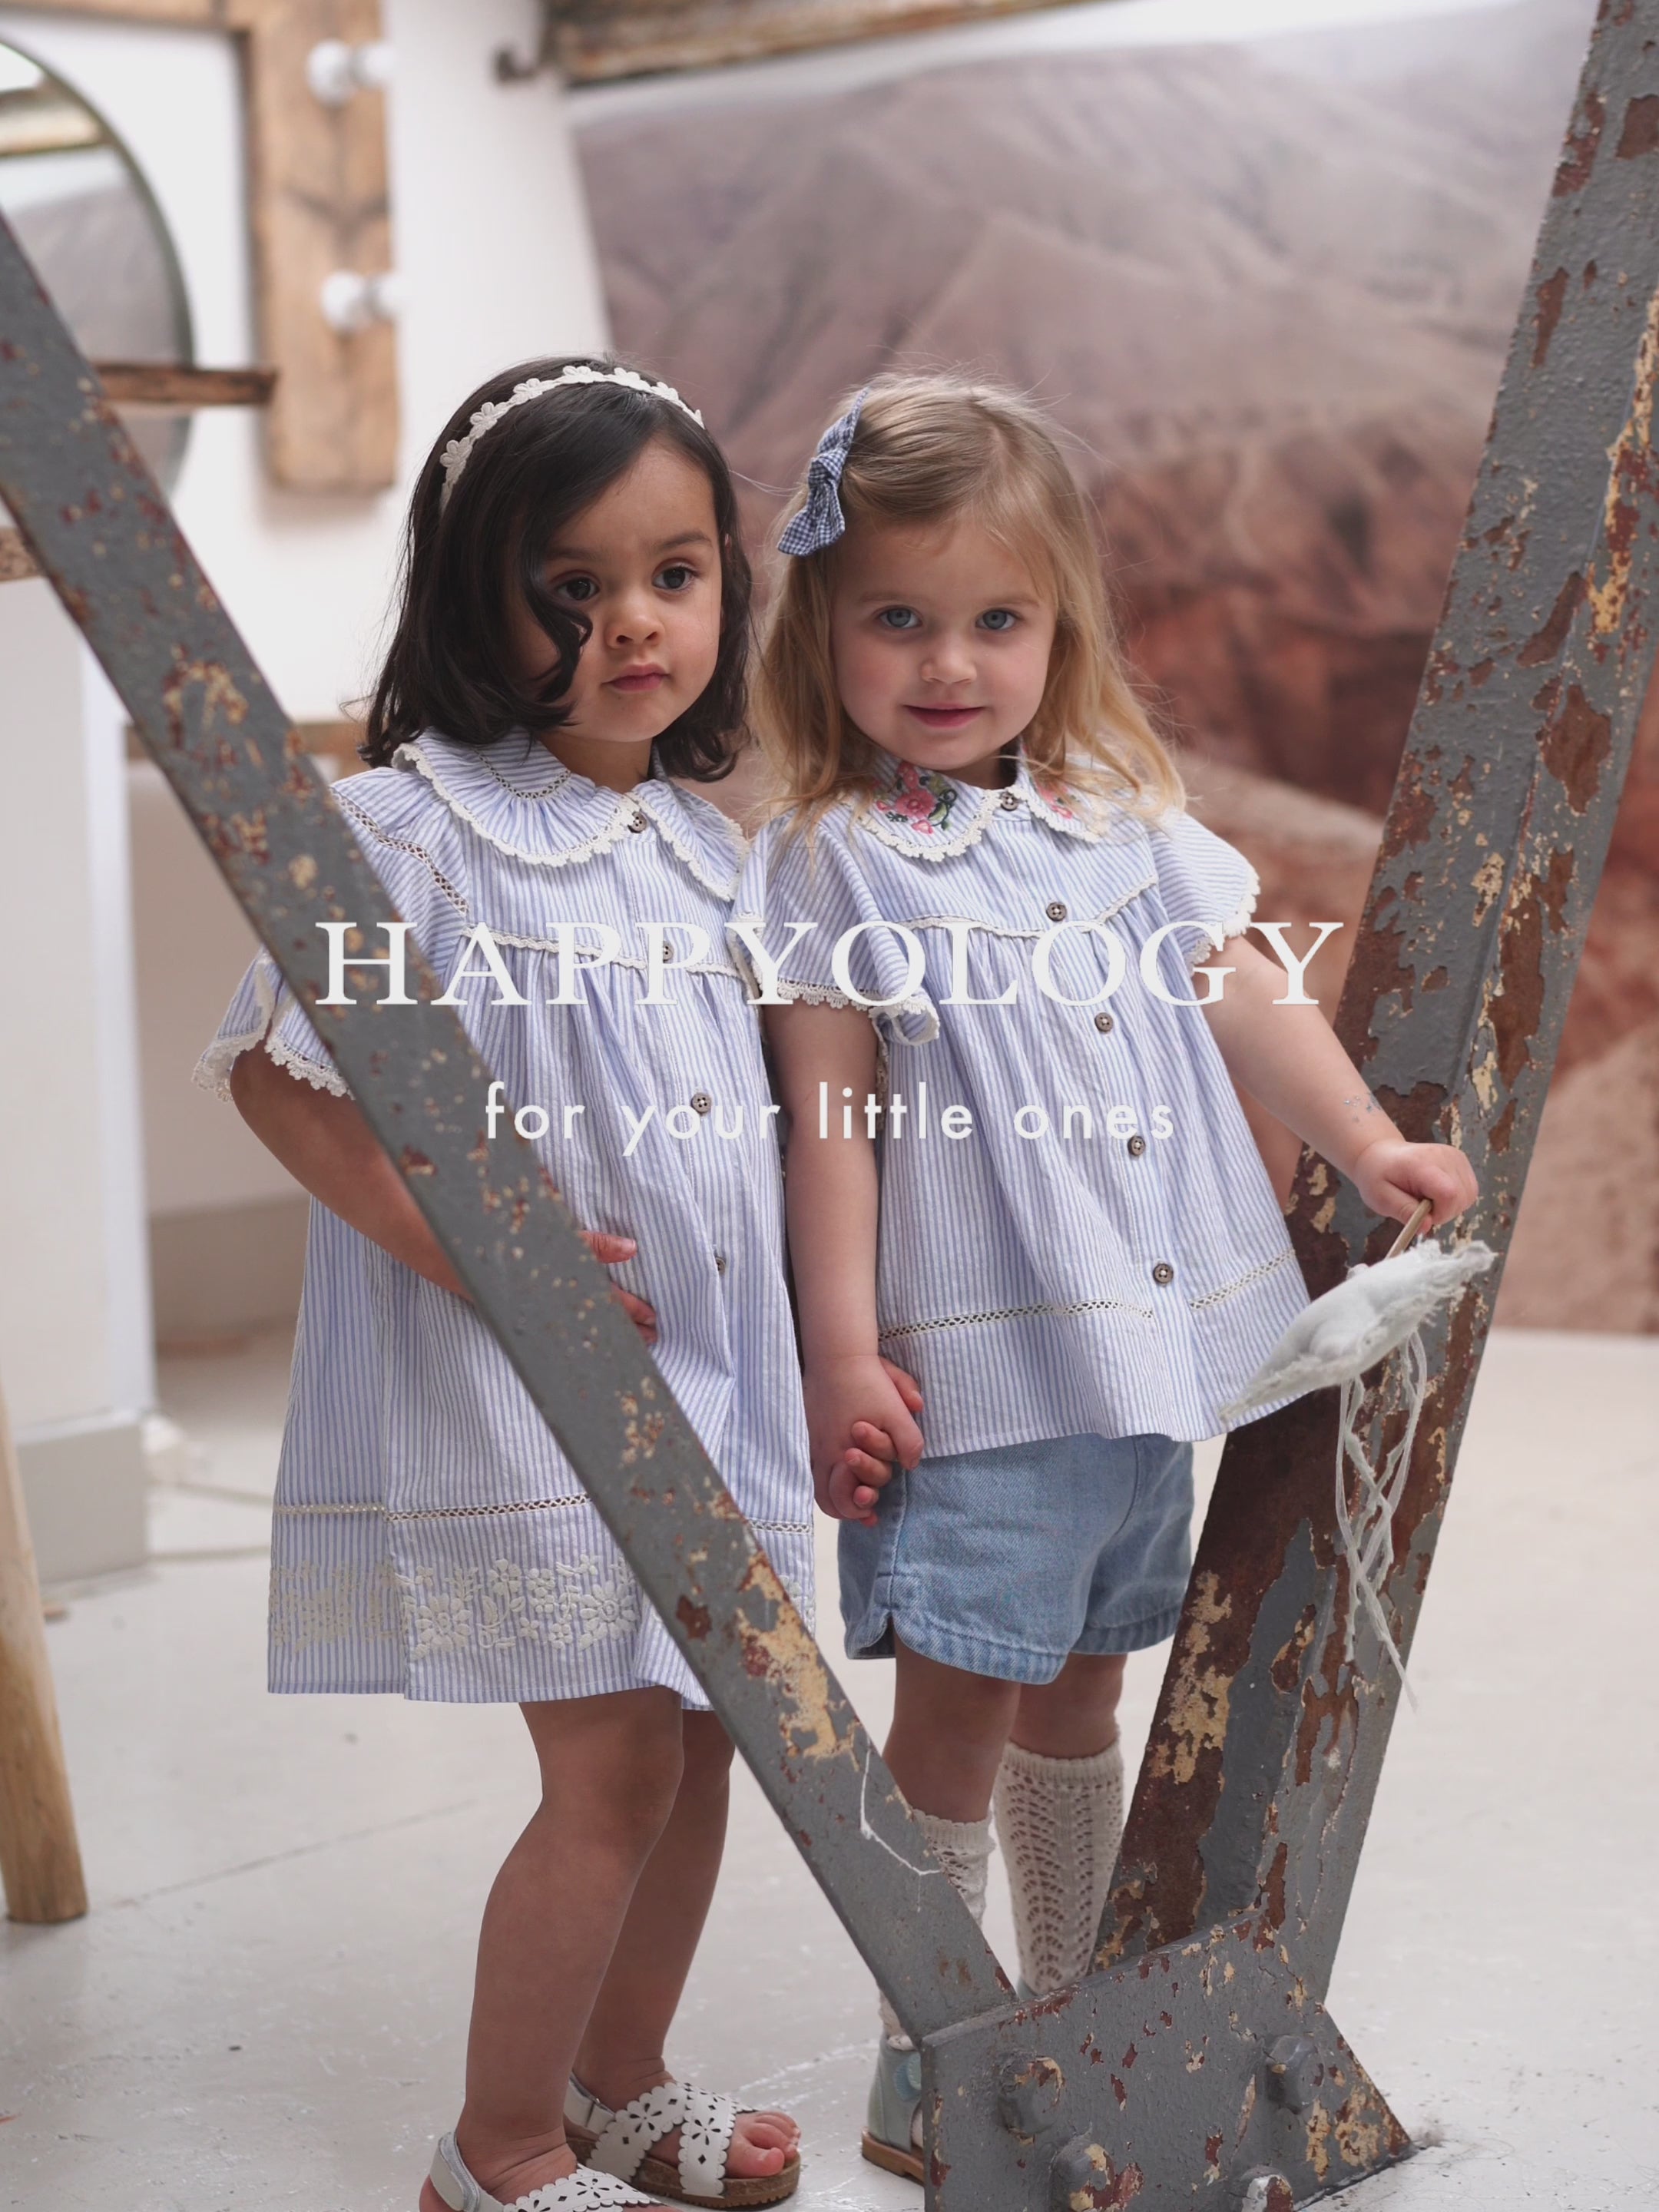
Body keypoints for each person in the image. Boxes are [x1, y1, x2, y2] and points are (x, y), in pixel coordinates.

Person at [740, 374, 1479, 2182]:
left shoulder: (1120, 817)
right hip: (976, 1373)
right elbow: (826, 1129)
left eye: (997, 620)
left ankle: (1062, 2009)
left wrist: (1364, 1139)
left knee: (1083, 1689)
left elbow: (1242, 986)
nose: (949, 663)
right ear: (821, 627)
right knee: (960, 1705)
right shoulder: (830, 859)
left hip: (1138, 1357)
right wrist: (839, 1352)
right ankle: (936, 2049)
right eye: (897, 619)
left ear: (1060, 627)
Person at [199, 358, 825, 2212]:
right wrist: (475, 1245)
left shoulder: (702, 846)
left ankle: (620, 2083)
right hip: (525, 1375)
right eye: (573, 586)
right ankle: (501, 2146)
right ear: (477, 597)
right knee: (616, 1761)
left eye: (675, 576)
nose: (634, 623)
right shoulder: (417, 829)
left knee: (706, 1735)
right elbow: (276, 1075)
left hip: (710, 1365)